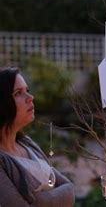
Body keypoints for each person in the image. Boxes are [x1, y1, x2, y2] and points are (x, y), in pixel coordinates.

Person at [0, 67, 75, 207]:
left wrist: (39, 200)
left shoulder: (27, 144)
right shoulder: (3, 160)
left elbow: (69, 189)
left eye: (27, 91)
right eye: (18, 93)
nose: (30, 97)